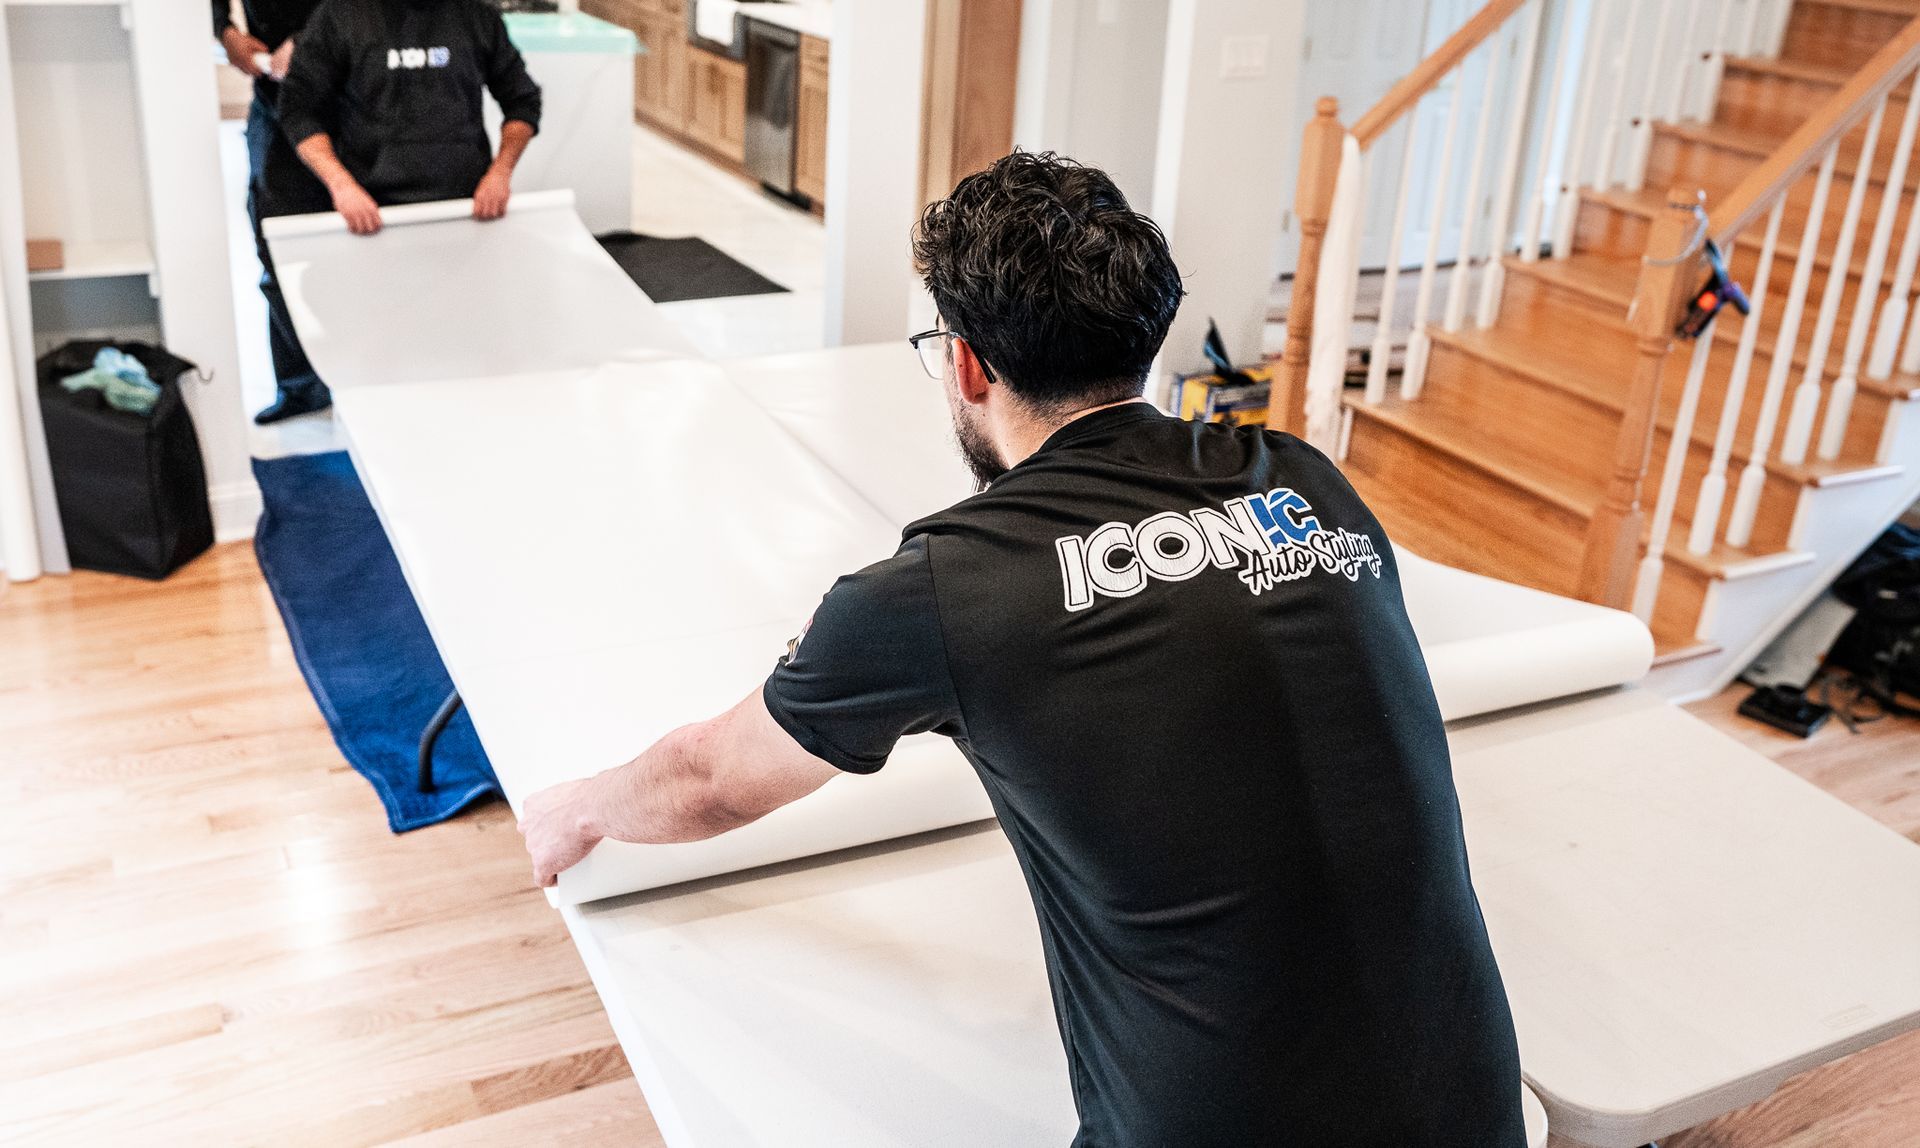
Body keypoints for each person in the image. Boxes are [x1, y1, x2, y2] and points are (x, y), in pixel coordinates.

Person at [515, 151, 1526, 1146]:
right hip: (1481, 1113)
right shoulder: (1305, 479)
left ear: (964, 361)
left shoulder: (947, 585)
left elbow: (710, 779)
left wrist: (576, 806)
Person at [276, 0, 541, 236]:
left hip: (466, 210)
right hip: (369, 214)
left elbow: (522, 101)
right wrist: (341, 185)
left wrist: (501, 172)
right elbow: (297, 109)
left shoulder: (477, 16)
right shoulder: (339, 15)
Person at [213, 0, 337, 424]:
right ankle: (303, 385)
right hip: (275, 96)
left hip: (357, 89)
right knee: (275, 249)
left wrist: (310, 40)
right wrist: (226, 31)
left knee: (360, 243)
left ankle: (364, 376)